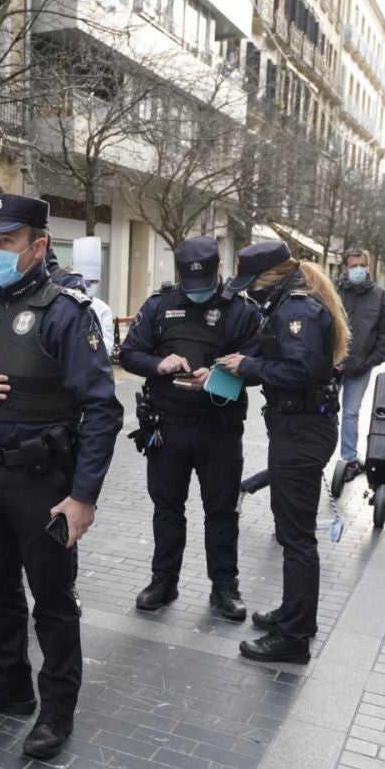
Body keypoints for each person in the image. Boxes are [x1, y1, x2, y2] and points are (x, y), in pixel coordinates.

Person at [0, 193, 123, 760]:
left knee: (52, 599)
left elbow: (103, 409)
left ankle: (57, 707)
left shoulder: (65, 311)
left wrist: (83, 498)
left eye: (7, 242)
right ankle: (11, 683)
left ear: (38, 246)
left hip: (44, 485)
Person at [216, 241, 347, 664]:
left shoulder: (295, 310)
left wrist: (247, 368)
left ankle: (294, 637)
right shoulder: (294, 303)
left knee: (296, 537)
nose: (248, 292)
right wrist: (242, 362)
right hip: (299, 428)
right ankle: (294, 615)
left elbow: (303, 370)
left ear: (268, 278)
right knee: (293, 531)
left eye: (250, 283)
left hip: (302, 431)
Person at [119, 236, 260, 618]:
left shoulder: (241, 311)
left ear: (218, 272)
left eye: (204, 283)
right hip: (167, 427)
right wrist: (157, 364)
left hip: (219, 427)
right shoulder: (159, 305)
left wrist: (213, 378)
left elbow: (257, 368)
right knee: (167, 508)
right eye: (189, 284)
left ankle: (224, 588)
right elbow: (129, 353)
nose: (196, 292)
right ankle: (163, 580)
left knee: (221, 510)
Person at [335, 249, 385, 484]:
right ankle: (319, 453)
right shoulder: (332, 291)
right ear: (344, 268)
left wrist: (371, 360)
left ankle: (349, 458)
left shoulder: (379, 297)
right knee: (324, 412)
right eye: (353, 265)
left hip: (361, 366)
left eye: (362, 265)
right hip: (331, 366)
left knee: (351, 412)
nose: (358, 269)